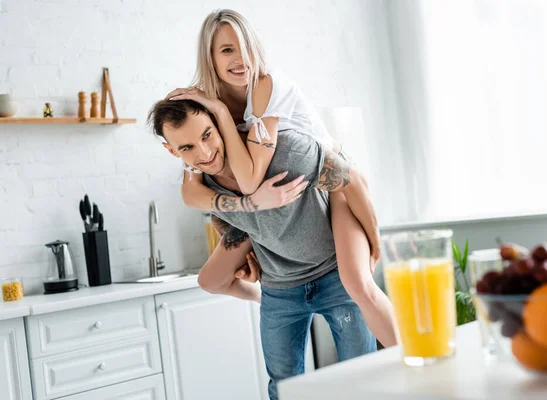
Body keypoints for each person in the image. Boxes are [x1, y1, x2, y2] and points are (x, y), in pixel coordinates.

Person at [166, 8, 396, 348]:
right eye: (226, 50)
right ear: (210, 58)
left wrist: (375, 240)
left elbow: (248, 181)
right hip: (277, 206)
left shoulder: (265, 86)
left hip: (332, 182)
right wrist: (244, 245)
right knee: (211, 278)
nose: (240, 58)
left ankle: (417, 370)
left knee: (358, 284)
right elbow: (195, 190)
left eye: (245, 46)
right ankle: (267, 298)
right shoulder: (202, 104)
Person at [148, 99, 378, 399]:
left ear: (220, 126)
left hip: (335, 275)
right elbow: (224, 220)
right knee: (282, 389)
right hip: (280, 290)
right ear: (172, 151)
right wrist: (249, 257)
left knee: (363, 378)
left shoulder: (284, 152)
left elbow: (353, 181)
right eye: (187, 148)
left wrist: (374, 246)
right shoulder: (204, 189)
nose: (204, 153)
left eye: (206, 135)